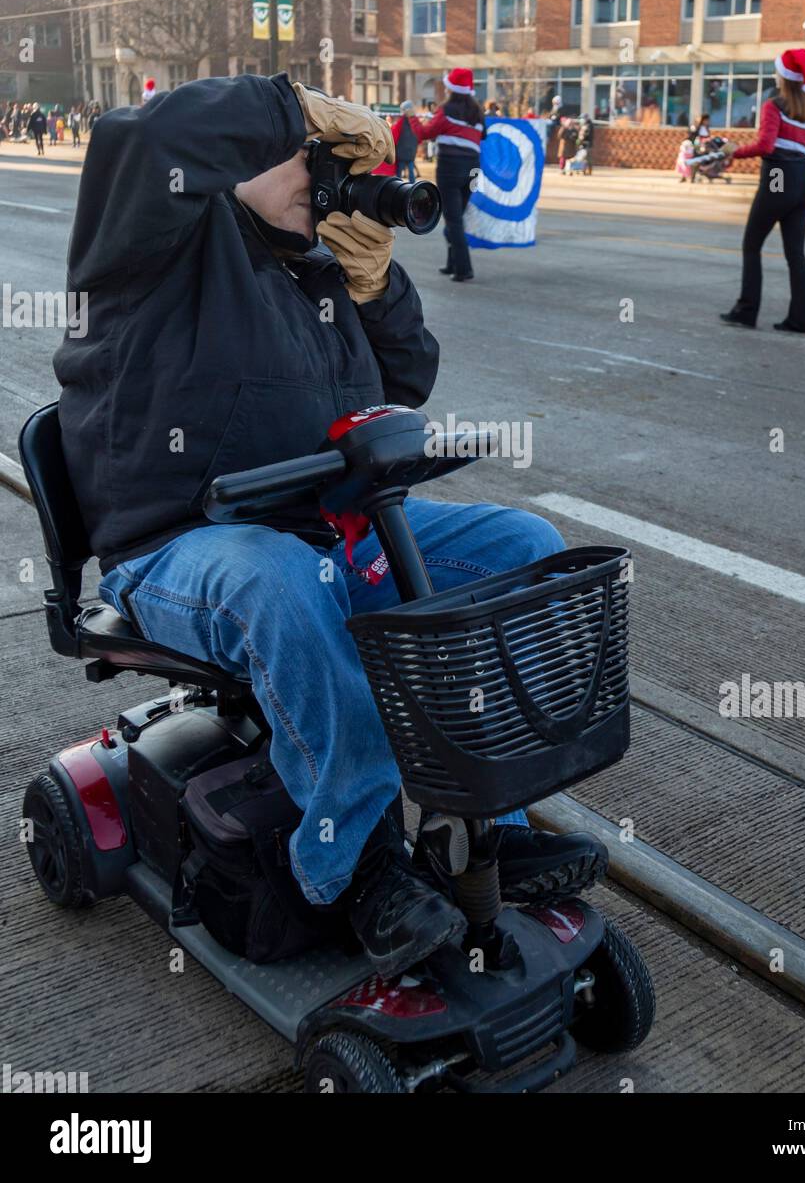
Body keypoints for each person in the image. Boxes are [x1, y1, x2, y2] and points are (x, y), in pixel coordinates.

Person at [52, 73, 602, 978]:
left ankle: (491, 827)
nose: (319, 171)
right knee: (278, 579)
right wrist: (293, 105)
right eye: (300, 156)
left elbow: (404, 387)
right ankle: (351, 865)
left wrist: (373, 284)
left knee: (524, 552)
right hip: (177, 545)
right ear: (226, 168)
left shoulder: (313, 266)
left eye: (326, 158)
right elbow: (141, 142)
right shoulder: (159, 243)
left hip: (318, 528)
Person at [720, 47, 805, 334]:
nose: (775, 74)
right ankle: (801, 319)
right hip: (804, 181)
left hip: (778, 176)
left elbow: (766, 146)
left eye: (778, 70)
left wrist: (734, 151)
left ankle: (746, 311)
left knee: (752, 245)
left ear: (785, 75)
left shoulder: (774, 105)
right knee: (796, 254)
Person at [409, 68, 485, 283]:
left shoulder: (446, 110)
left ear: (451, 88)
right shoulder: (477, 112)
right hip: (473, 170)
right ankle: (452, 262)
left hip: (450, 169)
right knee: (456, 218)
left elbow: (424, 134)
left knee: (453, 220)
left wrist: (411, 116)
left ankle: (463, 269)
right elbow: (484, 135)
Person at [392, 100, 420, 182]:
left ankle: (398, 185)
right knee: (409, 170)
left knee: (400, 171)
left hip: (402, 151)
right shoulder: (415, 120)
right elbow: (419, 134)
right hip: (410, 151)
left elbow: (394, 133)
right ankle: (412, 185)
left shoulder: (402, 121)